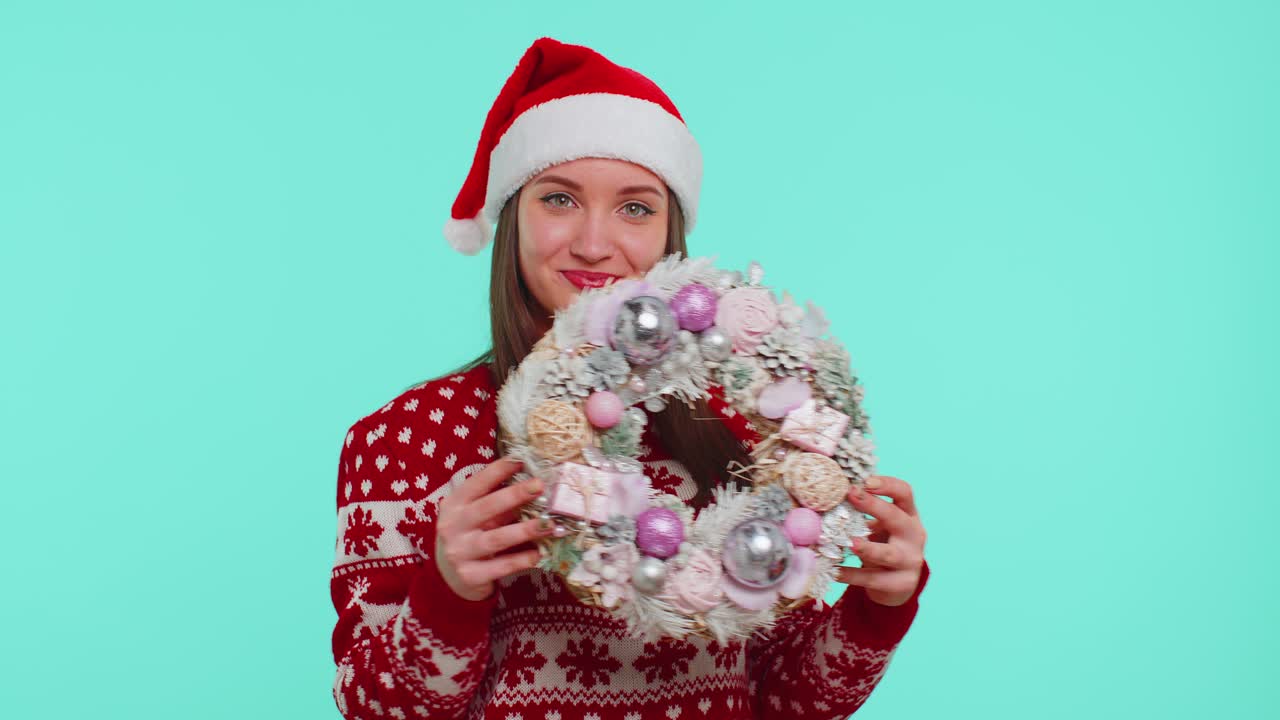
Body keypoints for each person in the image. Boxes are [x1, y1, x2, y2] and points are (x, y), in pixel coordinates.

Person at [330, 36, 930, 720]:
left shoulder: (735, 424)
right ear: (512, 218)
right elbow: (370, 709)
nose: (593, 242)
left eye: (635, 207)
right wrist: (449, 592)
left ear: (671, 231)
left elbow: (782, 699)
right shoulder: (404, 439)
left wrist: (879, 606)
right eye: (558, 199)